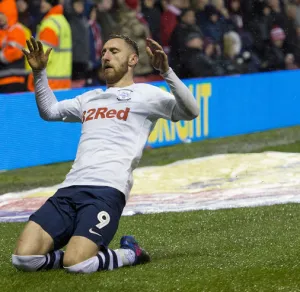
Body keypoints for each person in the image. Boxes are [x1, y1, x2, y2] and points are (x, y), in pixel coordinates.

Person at [11, 34, 199, 274]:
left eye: (114, 51)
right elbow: (49, 111)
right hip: (70, 189)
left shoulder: (147, 95)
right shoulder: (90, 98)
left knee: (77, 265)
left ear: (132, 60)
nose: (106, 56)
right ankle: (74, 253)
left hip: (106, 191)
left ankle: (130, 252)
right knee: (23, 260)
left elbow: (191, 111)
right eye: (103, 52)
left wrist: (166, 72)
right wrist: (39, 73)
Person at [27, 0, 72, 91]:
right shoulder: (63, 21)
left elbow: (42, 56)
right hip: (64, 81)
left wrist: (33, 76)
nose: (42, 4)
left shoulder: (49, 25)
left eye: (46, 1)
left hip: (48, 82)